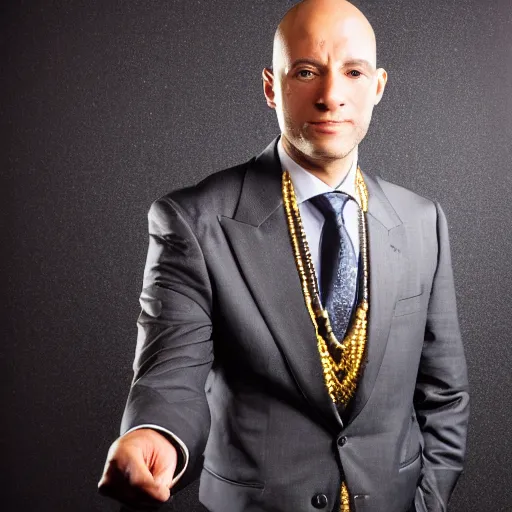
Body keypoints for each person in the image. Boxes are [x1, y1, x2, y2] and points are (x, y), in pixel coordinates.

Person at [98, 0, 469, 511]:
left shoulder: (423, 220)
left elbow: (444, 393)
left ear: (377, 87)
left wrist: (427, 502)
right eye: (307, 71)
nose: (331, 95)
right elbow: (170, 371)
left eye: (353, 72)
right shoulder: (194, 220)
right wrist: (153, 436)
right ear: (272, 85)